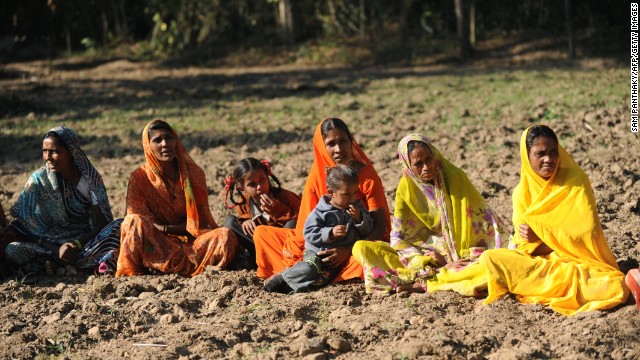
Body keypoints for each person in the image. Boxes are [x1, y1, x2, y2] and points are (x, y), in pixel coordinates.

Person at [479, 125, 629, 315]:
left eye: (553, 153)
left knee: (611, 284)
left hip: (579, 260)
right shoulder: (521, 193)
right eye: (540, 154)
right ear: (527, 156)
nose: (548, 159)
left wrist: (541, 234)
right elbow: (525, 247)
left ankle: (619, 287)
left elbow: (585, 237)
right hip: (541, 264)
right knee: (491, 258)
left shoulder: (576, 181)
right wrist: (536, 241)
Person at [352, 133, 510, 295]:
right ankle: (430, 277)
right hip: (423, 257)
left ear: (435, 156)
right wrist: (424, 260)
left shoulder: (456, 178)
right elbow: (399, 239)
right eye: (418, 164)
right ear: (407, 166)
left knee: (488, 264)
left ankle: (425, 283)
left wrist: (449, 260)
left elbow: (485, 224)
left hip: (462, 257)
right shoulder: (405, 189)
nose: (426, 167)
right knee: (361, 247)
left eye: (429, 159)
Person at [253, 117, 391, 283]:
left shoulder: (367, 176)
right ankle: (304, 271)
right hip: (319, 246)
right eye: (331, 144)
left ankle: (303, 275)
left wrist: (347, 250)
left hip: (358, 245)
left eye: (343, 141)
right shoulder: (316, 177)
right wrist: (318, 247)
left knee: (368, 259)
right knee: (263, 234)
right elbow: (305, 229)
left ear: (351, 141)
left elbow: (379, 226)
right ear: (322, 147)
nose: (339, 149)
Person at [116, 120, 238, 277]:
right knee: (131, 221)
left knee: (225, 236)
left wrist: (168, 229)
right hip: (157, 243)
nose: (165, 144)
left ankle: (167, 268)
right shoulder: (139, 178)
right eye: (157, 140)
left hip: (191, 243)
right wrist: (161, 232)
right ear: (148, 146)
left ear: (176, 140)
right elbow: (142, 223)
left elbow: (199, 222)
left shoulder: (194, 174)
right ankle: (137, 271)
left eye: (169, 137)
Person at [2, 126, 122, 282]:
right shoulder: (39, 180)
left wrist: (76, 244)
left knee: (120, 226)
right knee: (13, 249)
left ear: (71, 152)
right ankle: (59, 263)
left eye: (55, 151)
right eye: (45, 151)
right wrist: (57, 249)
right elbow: (23, 225)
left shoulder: (89, 179)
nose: (48, 157)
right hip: (49, 244)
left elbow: (101, 222)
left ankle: (62, 265)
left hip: (84, 243)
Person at [265, 164, 374, 293]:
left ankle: (290, 289)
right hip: (317, 252)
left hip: (337, 258)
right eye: (346, 194)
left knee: (323, 279)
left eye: (355, 193)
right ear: (331, 192)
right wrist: (330, 232)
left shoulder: (357, 208)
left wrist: (359, 218)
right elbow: (309, 233)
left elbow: (368, 229)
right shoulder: (321, 211)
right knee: (310, 268)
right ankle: (281, 279)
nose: (352, 198)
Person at [221, 157, 301, 268]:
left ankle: (267, 260)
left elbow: (304, 219)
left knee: (292, 224)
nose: (260, 187)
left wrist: (277, 210)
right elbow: (242, 217)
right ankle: (260, 257)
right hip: (261, 246)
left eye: (262, 179)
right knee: (230, 222)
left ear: (268, 177)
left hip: (284, 247)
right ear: (242, 188)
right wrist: (245, 220)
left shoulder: (285, 197)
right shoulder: (244, 202)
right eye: (252, 184)